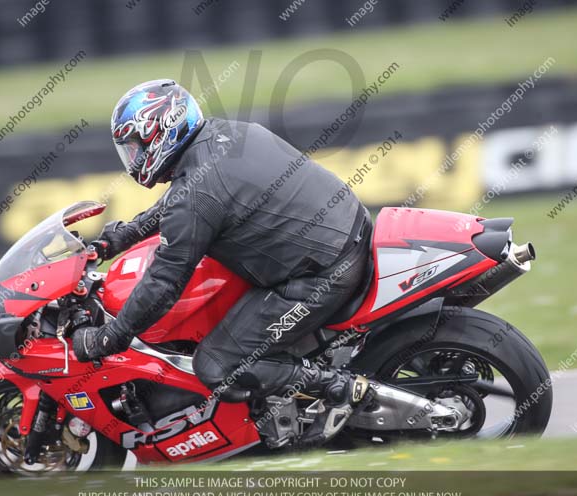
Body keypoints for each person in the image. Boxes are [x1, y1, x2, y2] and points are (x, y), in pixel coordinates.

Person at [72, 79, 372, 446]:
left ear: (163, 133)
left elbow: (164, 282)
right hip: (345, 230)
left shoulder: (196, 194)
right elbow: (184, 201)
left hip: (323, 271)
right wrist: (123, 236)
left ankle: (340, 388)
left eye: (135, 148)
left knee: (218, 365)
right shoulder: (225, 134)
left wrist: (111, 337)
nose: (132, 160)